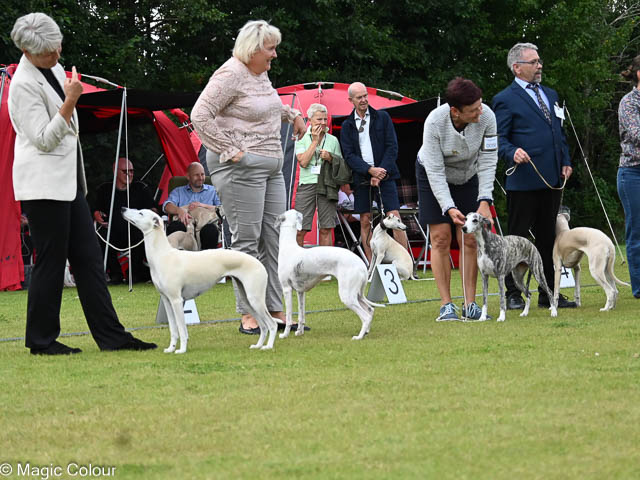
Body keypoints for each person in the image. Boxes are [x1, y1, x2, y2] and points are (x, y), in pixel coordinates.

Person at [8, 13, 156, 354]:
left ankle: (113, 338)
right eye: (48, 52)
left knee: (90, 260)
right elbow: (44, 139)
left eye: (57, 46)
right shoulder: (22, 85)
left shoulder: (54, 68)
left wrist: (68, 98)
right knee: (51, 262)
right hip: (43, 186)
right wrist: (71, 100)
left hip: (68, 183)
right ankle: (41, 341)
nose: (56, 54)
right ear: (27, 52)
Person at [190, 19, 307, 335]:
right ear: (252, 49)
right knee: (247, 239)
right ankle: (249, 313)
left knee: (274, 237)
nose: (275, 55)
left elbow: (266, 108)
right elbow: (199, 115)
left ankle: (275, 310)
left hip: (270, 166)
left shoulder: (260, 74)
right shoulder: (229, 74)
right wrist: (230, 150)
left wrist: (293, 115)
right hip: (240, 167)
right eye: (270, 48)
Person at [492, 42, 576, 310]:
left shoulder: (550, 94)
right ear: (517, 67)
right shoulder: (505, 99)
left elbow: (559, 133)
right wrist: (512, 151)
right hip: (523, 180)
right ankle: (513, 292)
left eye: (539, 61)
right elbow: (498, 138)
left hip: (551, 179)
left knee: (547, 238)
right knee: (517, 239)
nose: (539, 66)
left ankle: (548, 292)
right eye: (534, 62)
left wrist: (565, 161)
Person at [417, 77, 498, 321]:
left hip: (468, 175)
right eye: (473, 110)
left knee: (470, 239)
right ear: (455, 111)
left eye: (480, 106)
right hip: (433, 175)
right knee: (441, 238)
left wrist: (485, 200)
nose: (479, 112)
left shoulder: (487, 117)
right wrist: (448, 207)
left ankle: (470, 304)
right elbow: (434, 170)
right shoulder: (434, 122)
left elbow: (488, 160)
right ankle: (446, 305)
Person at [340, 82, 409, 262]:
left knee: (394, 217)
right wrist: (369, 170)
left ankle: (406, 264)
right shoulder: (347, 125)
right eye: (359, 97)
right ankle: (372, 266)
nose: (363, 100)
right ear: (351, 100)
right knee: (365, 219)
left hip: (386, 175)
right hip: (362, 177)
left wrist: (380, 172)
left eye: (365, 95)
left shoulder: (383, 117)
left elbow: (392, 147)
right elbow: (349, 155)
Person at [93, 157, 156, 284]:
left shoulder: (141, 188)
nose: (129, 174)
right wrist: (96, 214)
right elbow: (95, 209)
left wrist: (147, 215)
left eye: (131, 171)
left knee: (143, 234)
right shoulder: (104, 189)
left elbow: (154, 209)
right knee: (100, 235)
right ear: (115, 171)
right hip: (112, 231)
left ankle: (134, 273)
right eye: (125, 171)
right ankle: (115, 273)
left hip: (135, 231)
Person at [294, 103, 349, 246]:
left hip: (327, 185)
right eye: (319, 119)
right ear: (310, 120)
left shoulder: (333, 140)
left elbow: (341, 165)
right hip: (307, 184)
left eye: (325, 119)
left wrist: (331, 157)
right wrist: (314, 141)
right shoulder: (301, 138)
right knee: (300, 228)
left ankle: (326, 261)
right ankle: (296, 259)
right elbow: (303, 162)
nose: (323, 123)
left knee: (326, 228)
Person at [617, 54, 640, 298]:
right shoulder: (629, 102)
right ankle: (639, 287)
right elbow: (637, 134)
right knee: (637, 232)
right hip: (633, 173)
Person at [163, 162, 221, 250]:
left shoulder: (213, 191)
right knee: (175, 227)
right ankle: (179, 257)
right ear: (188, 176)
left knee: (210, 230)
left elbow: (221, 208)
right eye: (196, 175)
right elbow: (167, 206)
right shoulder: (178, 191)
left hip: (205, 224)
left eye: (202, 174)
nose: (200, 178)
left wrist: (201, 205)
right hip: (185, 224)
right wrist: (179, 211)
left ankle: (207, 258)